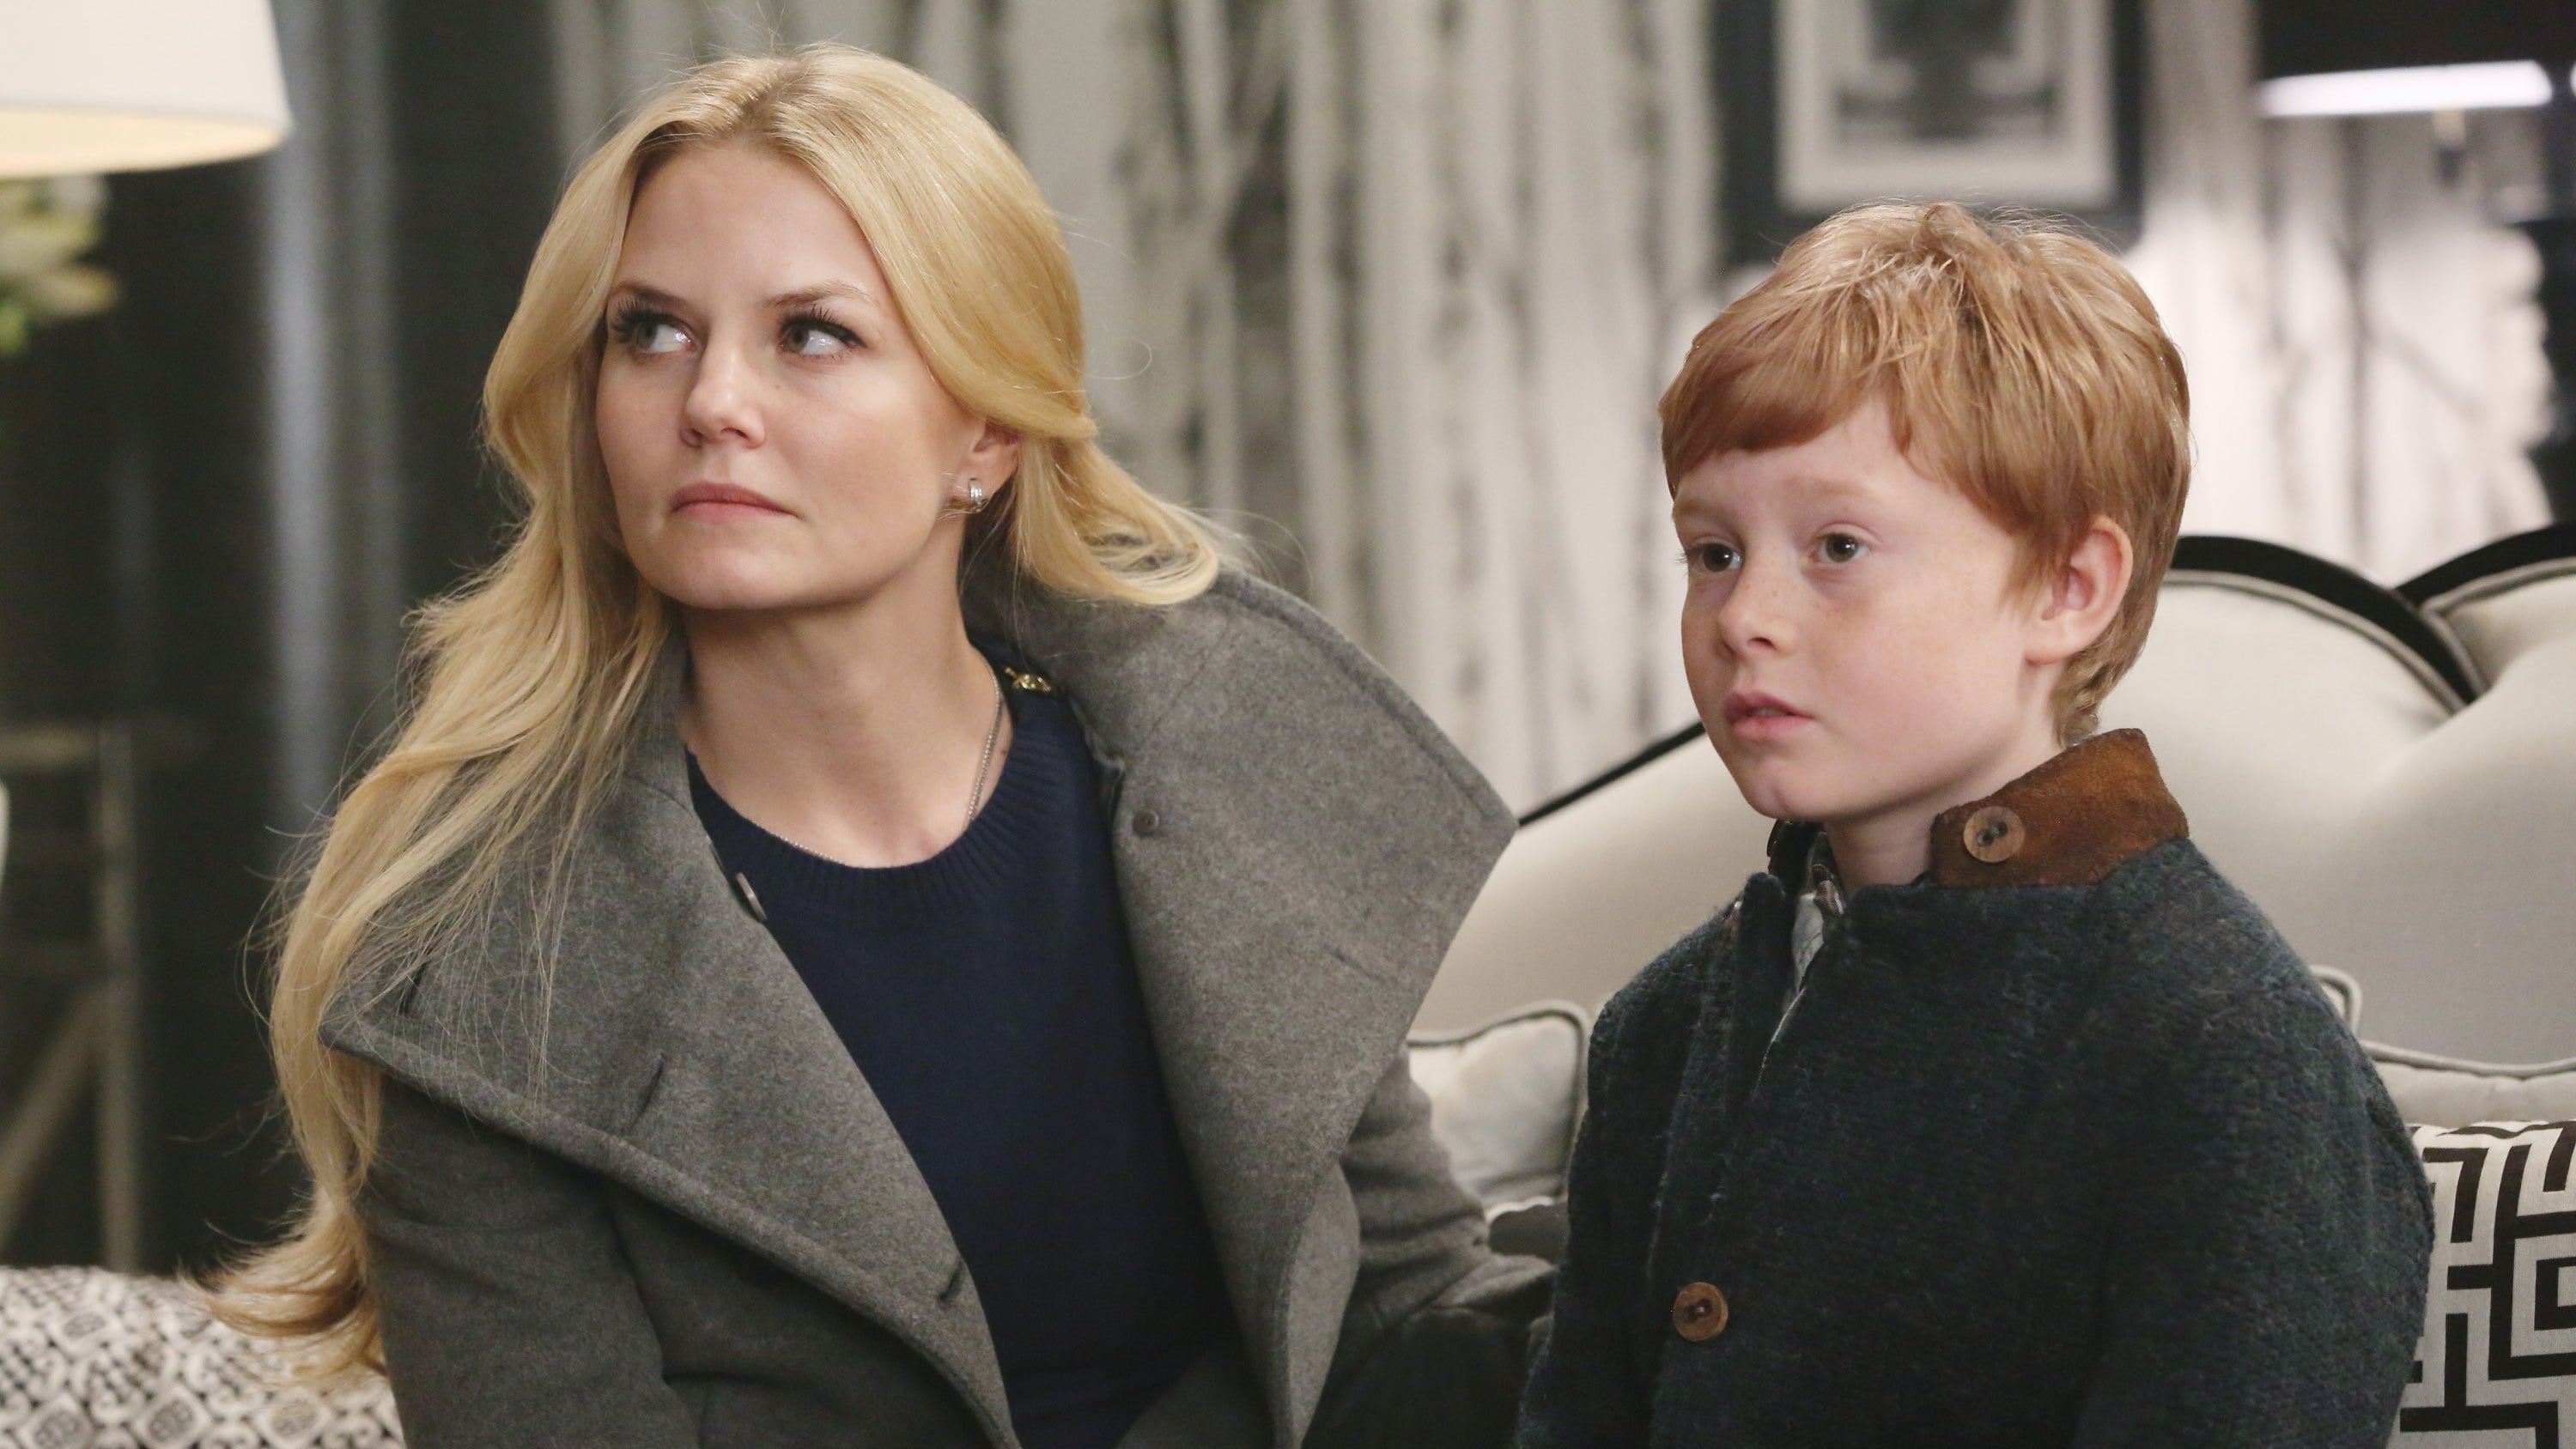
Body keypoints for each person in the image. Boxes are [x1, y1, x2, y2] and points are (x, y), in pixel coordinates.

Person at [215, 45, 1546, 1449]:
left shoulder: (1218, 780)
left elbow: (1409, 1325)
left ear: (986, 431)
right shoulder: (481, 958)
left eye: (810, 335)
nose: (710, 402)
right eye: (650, 332)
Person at [1516, 203, 2431, 1447]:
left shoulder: (2223, 1051)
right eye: (1714, 553)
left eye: (1838, 545)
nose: (1744, 617)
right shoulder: (1664, 1028)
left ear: (2067, 588)